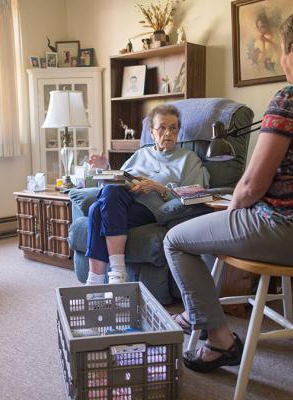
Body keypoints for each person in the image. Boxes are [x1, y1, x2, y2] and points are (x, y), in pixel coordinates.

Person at [163, 14, 293, 373]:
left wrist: (231, 211)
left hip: (282, 227)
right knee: (203, 236)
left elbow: (252, 185)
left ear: (290, 52)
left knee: (176, 240)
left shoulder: (287, 99)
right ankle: (196, 311)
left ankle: (219, 340)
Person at [85, 104, 210, 285]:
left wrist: (159, 188)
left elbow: (196, 194)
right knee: (109, 192)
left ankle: (103, 278)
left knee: (96, 211)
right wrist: (105, 168)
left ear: (179, 130)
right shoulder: (140, 153)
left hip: (152, 209)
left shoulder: (188, 159)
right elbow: (119, 180)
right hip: (125, 203)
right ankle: (109, 278)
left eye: (173, 128)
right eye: (162, 128)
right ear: (151, 132)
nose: (168, 133)